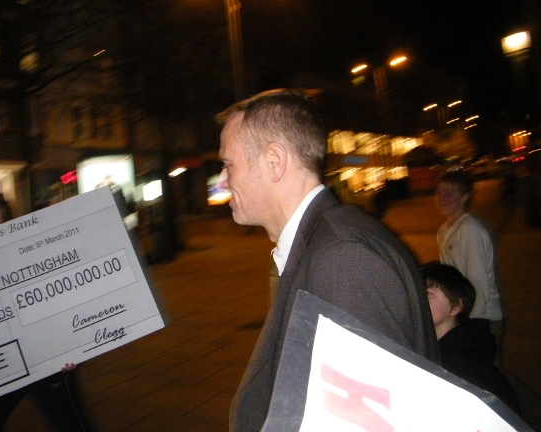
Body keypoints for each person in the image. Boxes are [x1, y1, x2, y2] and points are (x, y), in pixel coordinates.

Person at [216, 89, 439, 432]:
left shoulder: (343, 260)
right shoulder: (329, 241)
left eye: (229, 165)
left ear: (274, 161)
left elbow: (370, 422)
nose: (222, 181)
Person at [0, 184, 91, 432]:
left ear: (5, 212)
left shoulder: (29, 244)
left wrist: (72, 348)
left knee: (72, 424)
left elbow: (58, 294)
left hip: (43, 356)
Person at [421, 262, 518, 412]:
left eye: (428, 293)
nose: (419, 299)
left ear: (455, 307)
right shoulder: (431, 346)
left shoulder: (461, 361)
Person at [434, 171, 503, 345]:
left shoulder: (469, 229)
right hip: (463, 315)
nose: (442, 198)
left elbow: (478, 283)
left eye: (449, 193)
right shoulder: (444, 230)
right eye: (439, 192)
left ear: (464, 197)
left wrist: (470, 324)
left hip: (482, 318)